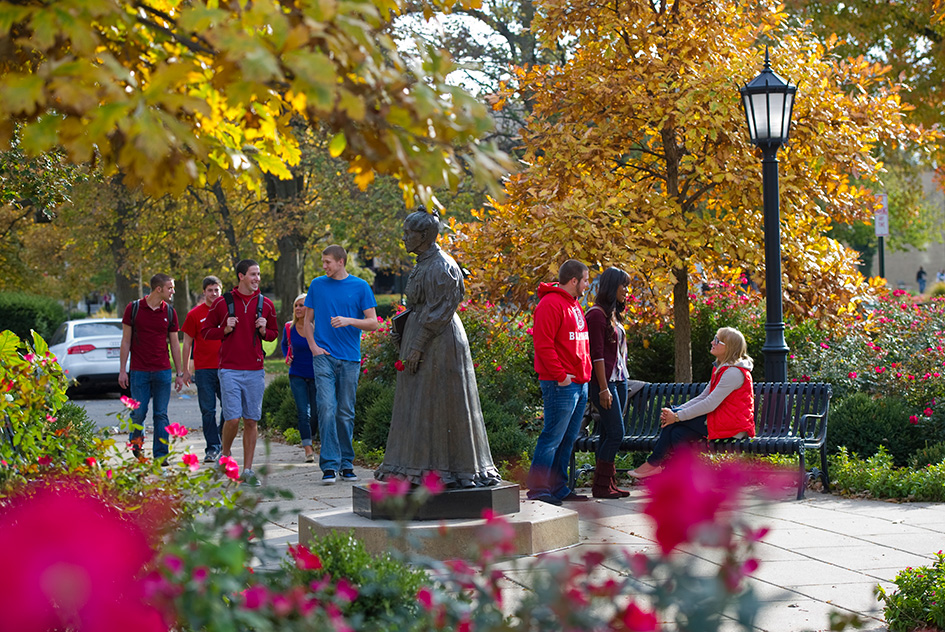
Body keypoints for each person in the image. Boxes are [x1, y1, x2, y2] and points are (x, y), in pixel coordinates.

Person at [375, 209, 501, 487]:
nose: (404, 237)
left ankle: (451, 470)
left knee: (440, 404)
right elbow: (419, 307)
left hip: (439, 342)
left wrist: (417, 345)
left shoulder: (442, 266)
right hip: (421, 334)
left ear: (424, 236)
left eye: (409, 233)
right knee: (418, 404)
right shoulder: (422, 263)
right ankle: (412, 467)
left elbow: (440, 311)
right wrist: (403, 332)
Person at [628, 326, 755, 478]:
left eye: (717, 340)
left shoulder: (734, 373)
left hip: (733, 425)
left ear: (729, 348)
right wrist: (677, 411)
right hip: (719, 419)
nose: (712, 342)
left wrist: (676, 416)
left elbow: (710, 403)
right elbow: (703, 396)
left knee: (674, 424)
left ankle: (654, 464)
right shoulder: (721, 369)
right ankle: (689, 475)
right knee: (677, 433)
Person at [303, 245, 380, 484]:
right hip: (323, 357)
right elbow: (307, 320)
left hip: (350, 359)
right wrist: (314, 348)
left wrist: (348, 321)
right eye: (323, 262)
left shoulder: (360, 287)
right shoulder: (317, 285)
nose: (324, 266)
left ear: (341, 262)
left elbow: (373, 322)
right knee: (326, 408)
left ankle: (346, 463)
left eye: (327, 262)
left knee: (345, 413)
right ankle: (328, 465)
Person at [202, 260, 278, 486]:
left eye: (259, 275)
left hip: (255, 369)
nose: (257, 279)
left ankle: (247, 470)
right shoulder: (222, 303)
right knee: (232, 418)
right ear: (241, 276)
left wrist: (265, 329)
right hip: (229, 369)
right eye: (253, 274)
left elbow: (273, 334)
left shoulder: (266, 304)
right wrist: (224, 329)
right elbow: (206, 332)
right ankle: (225, 455)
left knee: (252, 420)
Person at [526, 260, 592, 506]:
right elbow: (543, 345)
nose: (587, 284)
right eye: (585, 280)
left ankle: (558, 486)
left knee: (567, 439)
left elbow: (579, 343)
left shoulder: (574, 305)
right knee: (552, 437)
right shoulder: (550, 304)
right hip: (560, 384)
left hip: (579, 384)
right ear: (574, 280)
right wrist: (561, 376)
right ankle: (538, 488)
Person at [118, 273, 185, 463]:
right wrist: (123, 370)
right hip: (139, 371)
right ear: (159, 289)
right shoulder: (134, 309)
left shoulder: (170, 312)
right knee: (139, 412)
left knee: (160, 414)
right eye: (170, 288)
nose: (173, 291)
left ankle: (161, 455)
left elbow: (174, 344)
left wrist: (179, 373)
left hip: (162, 371)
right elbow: (125, 341)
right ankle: (137, 446)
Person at [586, 267, 632, 499]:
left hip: (620, 381)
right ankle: (601, 485)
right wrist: (603, 388)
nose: (626, 290)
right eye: (623, 285)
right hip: (605, 384)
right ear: (611, 286)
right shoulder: (596, 315)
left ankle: (608, 484)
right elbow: (597, 355)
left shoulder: (613, 314)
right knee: (616, 434)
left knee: (607, 432)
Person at [181, 276, 224, 463]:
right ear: (204, 292)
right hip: (205, 369)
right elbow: (187, 343)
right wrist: (185, 369)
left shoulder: (228, 313)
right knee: (208, 410)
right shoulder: (195, 315)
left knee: (230, 409)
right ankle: (212, 448)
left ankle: (223, 442)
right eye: (210, 290)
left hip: (227, 367)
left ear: (221, 291)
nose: (213, 294)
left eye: (216, 290)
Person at [282, 293, 318, 463]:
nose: (298, 309)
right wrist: (286, 356)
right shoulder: (289, 327)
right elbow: (284, 344)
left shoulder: (317, 327)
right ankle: (307, 448)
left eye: (302, 305)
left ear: (309, 308)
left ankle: (312, 437)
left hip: (316, 375)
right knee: (303, 412)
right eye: (296, 305)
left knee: (317, 413)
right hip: (297, 374)